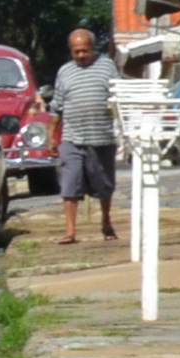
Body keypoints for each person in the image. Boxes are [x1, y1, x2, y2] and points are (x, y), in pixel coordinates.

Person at [48, 25, 119, 245]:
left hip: (102, 138)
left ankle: (106, 222)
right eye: (76, 51)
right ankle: (70, 231)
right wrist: (52, 135)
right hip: (72, 138)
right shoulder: (65, 72)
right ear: (71, 51)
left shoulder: (107, 66)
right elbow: (56, 106)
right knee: (70, 185)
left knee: (104, 185)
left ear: (92, 48)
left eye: (84, 51)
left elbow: (119, 97)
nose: (81, 55)